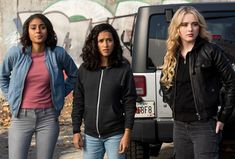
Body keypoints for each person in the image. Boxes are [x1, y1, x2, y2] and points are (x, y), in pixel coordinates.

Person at [160, 6, 235, 159]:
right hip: (179, 126)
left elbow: (232, 82)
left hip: (204, 126)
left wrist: (223, 117)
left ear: (199, 27)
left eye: (194, 24)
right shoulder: (172, 54)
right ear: (177, 28)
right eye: (185, 24)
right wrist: (174, 105)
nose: (190, 29)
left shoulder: (211, 51)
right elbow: (165, 84)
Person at [0, 14, 78, 159]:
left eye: (42, 27)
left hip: (48, 117)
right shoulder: (16, 53)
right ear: (27, 31)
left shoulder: (58, 53)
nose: (38, 31)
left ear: (48, 31)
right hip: (21, 117)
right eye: (33, 27)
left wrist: (60, 93)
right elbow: (2, 77)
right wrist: (11, 97)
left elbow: (74, 75)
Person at [72, 23, 137, 159]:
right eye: (101, 41)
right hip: (91, 137)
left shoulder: (123, 69)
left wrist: (127, 133)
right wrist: (76, 130)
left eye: (109, 40)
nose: (105, 44)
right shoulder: (84, 70)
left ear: (114, 42)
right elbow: (78, 101)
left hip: (116, 135)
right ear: (94, 44)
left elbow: (129, 102)